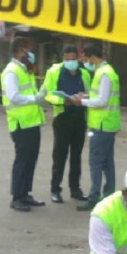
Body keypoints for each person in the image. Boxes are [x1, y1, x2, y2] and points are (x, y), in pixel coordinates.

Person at [72, 43, 121, 211]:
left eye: (86, 59)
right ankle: (108, 197)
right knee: (107, 162)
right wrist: (85, 96)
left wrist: (82, 102)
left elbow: (102, 101)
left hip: (102, 124)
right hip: (105, 124)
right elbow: (99, 95)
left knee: (96, 162)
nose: (86, 63)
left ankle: (94, 198)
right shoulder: (104, 72)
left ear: (93, 57)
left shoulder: (105, 73)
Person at [1, 37, 47, 212]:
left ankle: (26, 193)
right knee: (22, 160)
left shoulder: (25, 70)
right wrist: (35, 98)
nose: (32, 53)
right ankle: (17, 196)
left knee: (31, 160)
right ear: (21, 50)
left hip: (32, 121)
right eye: (29, 49)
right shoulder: (12, 71)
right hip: (21, 124)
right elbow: (13, 97)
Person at [41, 45, 91, 204]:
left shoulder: (84, 74)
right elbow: (47, 94)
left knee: (76, 156)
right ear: (62, 59)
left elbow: (90, 94)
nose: (70, 62)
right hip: (62, 117)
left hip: (79, 118)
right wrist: (63, 100)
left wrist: (84, 98)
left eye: (73, 59)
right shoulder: (54, 72)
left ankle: (75, 189)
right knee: (59, 156)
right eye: (67, 59)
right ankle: (55, 189)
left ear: (78, 58)